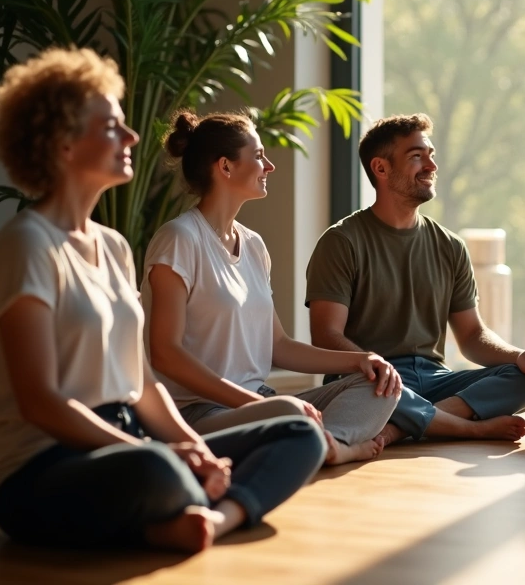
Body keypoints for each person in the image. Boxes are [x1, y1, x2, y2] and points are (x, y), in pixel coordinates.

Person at [0, 48, 324, 553]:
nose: (132, 137)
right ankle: (186, 508)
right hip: (47, 466)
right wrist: (158, 450)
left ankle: (210, 519)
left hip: (131, 441)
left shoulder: (114, 246)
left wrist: (189, 446)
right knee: (154, 467)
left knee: (298, 432)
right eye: (111, 127)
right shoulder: (27, 244)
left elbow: (142, 385)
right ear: (63, 144)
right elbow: (40, 402)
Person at [142, 111, 402, 466]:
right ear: (226, 167)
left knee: (380, 385)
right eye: (259, 155)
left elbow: (277, 346)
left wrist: (361, 360)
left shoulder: (253, 246)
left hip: (262, 404)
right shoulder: (179, 239)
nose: (270, 166)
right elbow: (165, 353)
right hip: (199, 416)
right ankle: (321, 442)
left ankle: (327, 445)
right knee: (287, 412)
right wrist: (260, 406)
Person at [306, 113, 525, 444]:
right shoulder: (341, 242)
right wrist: (376, 368)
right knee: (373, 391)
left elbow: (471, 336)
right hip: (369, 379)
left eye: (431, 155)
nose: (431, 165)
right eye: (416, 156)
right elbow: (325, 335)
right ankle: (466, 427)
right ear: (381, 169)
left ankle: (402, 427)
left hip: (433, 377)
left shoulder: (450, 246)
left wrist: (517, 356)